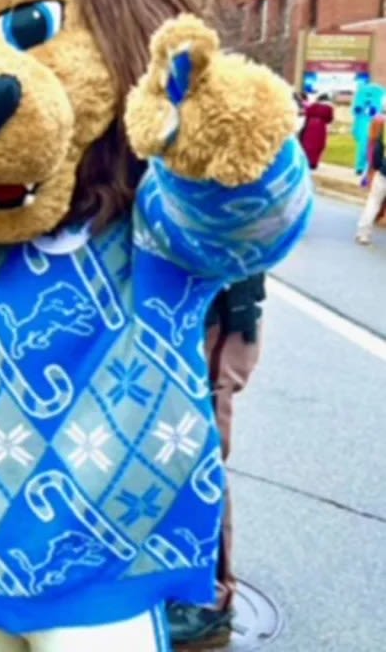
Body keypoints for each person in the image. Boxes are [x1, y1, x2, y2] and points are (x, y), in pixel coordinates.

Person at [167, 274, 266, 649]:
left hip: (219, 313)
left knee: (198, 460)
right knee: (168, 458)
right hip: (187, 311)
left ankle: (212, 602)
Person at [355, 111, 386, 245]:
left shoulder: (381, 123)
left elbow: (378, 147)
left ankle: (363, 233)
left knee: (373, 202)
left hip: (384, 171)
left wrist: (376, 166)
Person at [299, 91, 332, 170]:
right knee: (319, 145)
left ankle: (307, 161)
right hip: (321, 126)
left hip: (311, 125)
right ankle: (314, 163)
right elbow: (329, 119)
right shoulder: (329, 108)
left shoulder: (313, 106)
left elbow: (307, 114)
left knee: (309, 144)